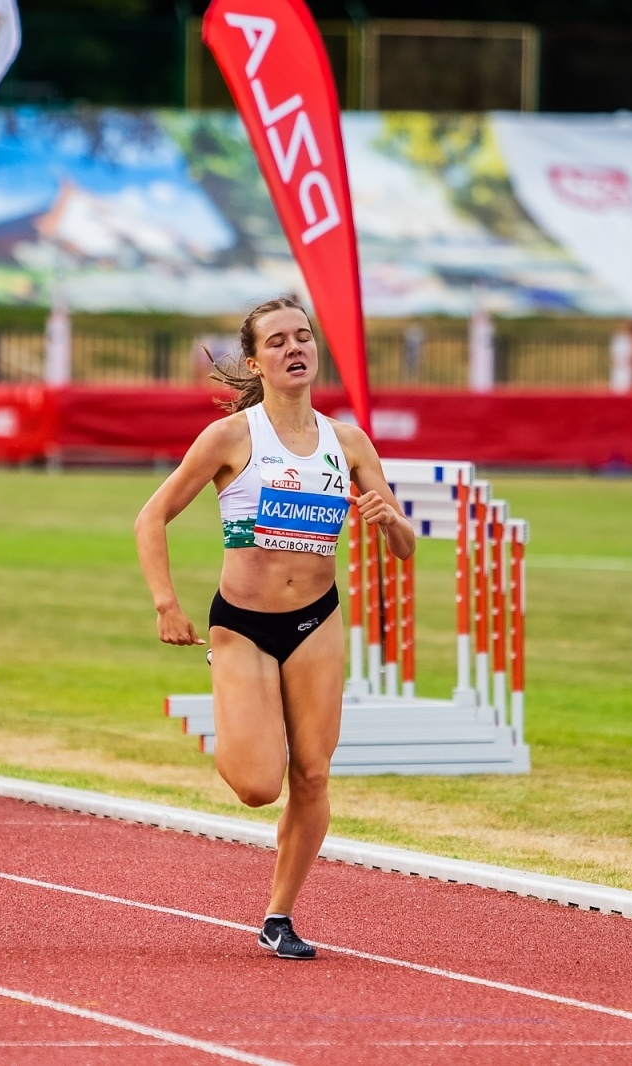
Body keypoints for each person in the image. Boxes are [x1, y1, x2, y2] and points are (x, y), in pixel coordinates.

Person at [134, 295, 415, 961]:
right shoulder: (232, 438)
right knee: (260, 786)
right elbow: (151, 518)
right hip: (244, 625)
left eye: (304, 337)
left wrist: (387, 518)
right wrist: (165, 603)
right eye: (280, 341)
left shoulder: (347, 443)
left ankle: (279, 915)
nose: (296, 349)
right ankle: (240, 711)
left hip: (316, 619)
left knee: (314, 772)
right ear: (256, 362)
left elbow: (404, 547)